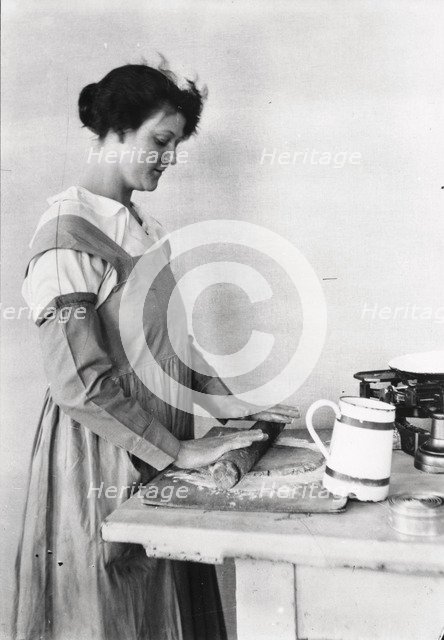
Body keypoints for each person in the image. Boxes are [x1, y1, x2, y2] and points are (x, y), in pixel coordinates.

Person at [13, 62, 298, 640]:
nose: (168, 159)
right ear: (117, 130)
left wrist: (233, 409)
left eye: (175, 145)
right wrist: (178, 453)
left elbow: (174, 349)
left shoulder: (143, 227)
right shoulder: (68, 237)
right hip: (102, 454)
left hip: (162, 442)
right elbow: (80, 386)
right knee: (113, 610)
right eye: (160, 141)